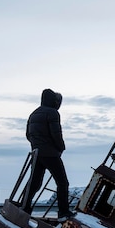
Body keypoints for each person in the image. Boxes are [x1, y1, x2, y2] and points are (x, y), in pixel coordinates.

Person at [23, 88, 71, 218]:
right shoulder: (52, 113)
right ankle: (63, 212)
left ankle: (25, 207)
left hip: (37, 153)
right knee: (62, 183)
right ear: (54, 101)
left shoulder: (33, 113)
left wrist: (36, 144)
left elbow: (28, 134)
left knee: (34, 183)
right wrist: (61, 148)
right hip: (50, 153)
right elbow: (56, 134)